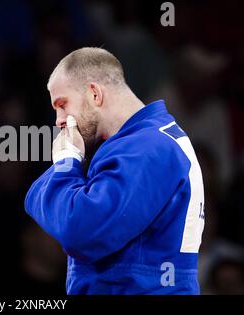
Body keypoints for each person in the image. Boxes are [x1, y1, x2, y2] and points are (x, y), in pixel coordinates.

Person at [24, 47, 205, 294]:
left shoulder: (148, 147)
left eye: (62, 104)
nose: (58, 120)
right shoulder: (141, 142)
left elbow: (80, 230)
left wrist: (66, 162)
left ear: (94, 94)